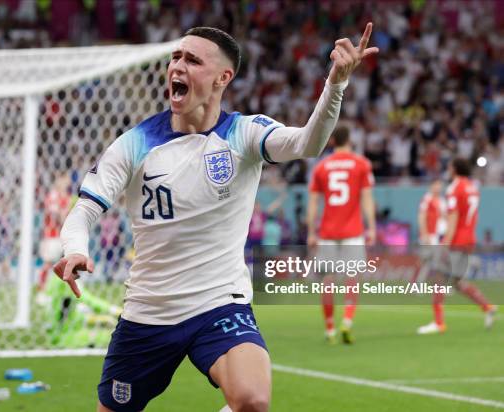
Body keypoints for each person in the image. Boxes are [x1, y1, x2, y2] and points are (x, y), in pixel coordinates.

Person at [54, 25, 378, 411]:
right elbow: (85, 209)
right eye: (176, 57)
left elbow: (306, 142)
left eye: (192, 60)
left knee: (252, 400)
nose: (178, 65)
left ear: (223, 77)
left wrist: (335, 84)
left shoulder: (243, 133)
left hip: (219, 302)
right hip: (149, 310)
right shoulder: (134, 144)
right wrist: (74, 249)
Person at [306, 125, 376, 344]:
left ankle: (329, 330)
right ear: (350, 140)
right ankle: (346, 322)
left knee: (328, 280)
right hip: (353, 231)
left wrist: (311, 231)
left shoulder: (321, 167)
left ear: (332, 141)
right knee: (352, 278)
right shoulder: (361, 164)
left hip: (328, 232)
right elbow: (366, 198)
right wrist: (372, 227)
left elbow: (313, 203)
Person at [418, 158, 497, 334]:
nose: (448, 169)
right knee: (456, 281)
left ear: (454, 169)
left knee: (439, 278)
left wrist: (445, 243)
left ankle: (439, 323)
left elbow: (453, 219)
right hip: (469, 239)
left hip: (456, 241)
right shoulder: (473, 188)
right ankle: (487, 306)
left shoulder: (455, 188)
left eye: (449, 166)